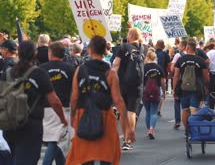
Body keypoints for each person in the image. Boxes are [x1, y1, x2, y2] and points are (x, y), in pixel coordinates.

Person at [67, 36, 135, 165]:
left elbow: (74, 97)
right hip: (104, 117)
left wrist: (72, 116)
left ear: (89, 50)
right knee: (107, 156)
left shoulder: (80, 70)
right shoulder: (110, 73)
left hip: (83, 115)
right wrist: (128, 127)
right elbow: (118, 100)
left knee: (85, 157)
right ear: (105, 51)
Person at [2, 41, 67, 165]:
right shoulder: (39, 73)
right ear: (35, 53)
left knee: (16, 158)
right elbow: (54, 101)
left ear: (18, 53)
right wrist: (62, 119)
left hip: (10, 125)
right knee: (27, 159)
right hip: (31, 125)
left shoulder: (8, 73)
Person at [40, 41, 75, 165]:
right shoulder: (70, 69)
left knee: (57, 140)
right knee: (56, 140)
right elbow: (75, 91)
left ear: (50, 53)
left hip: (46, 109)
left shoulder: (42, 69)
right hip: (63, 108)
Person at [112, 27, 146, 150]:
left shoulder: (122, 48)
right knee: (132, 111)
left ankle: (125, 137)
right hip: (137, 84)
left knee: (123, 111)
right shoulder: (144, 48)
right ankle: (128, 140)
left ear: (130, 35)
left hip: (123, 83)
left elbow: (116, 65)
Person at [172, 40, 209, 134]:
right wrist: (206, 87)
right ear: (195, 49)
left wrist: (174, 89)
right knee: (194, 110)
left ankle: (187, 130)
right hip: (196, 88)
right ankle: (194, 131)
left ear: (187, 48)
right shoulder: (200, 60)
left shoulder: (181, 59)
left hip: (183, 88)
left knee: (185, 110)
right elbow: (206, 77)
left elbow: (176, 75)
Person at [142, 47, 166, 139]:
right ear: (155, 58)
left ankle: (149, 130)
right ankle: (152, 129)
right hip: (156, 91)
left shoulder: (144, 67)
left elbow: (140, 81)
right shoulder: (159, 67)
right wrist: (164, 92)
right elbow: (163, 82)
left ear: (147, 57)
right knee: (154, 112)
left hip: (145, 91)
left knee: (148, 111)